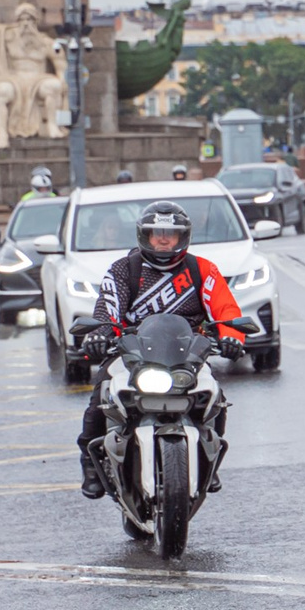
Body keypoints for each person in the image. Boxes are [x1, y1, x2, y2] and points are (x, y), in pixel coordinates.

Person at [74, 201, 246, 499]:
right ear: (145, 236)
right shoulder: (123, 269)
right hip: (132, 351)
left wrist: (233, 337)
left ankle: (209, 457)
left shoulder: (201, 269)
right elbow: (106, 310)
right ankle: (90, 462)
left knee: (214, 396)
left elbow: (225, 309)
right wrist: (99, 336)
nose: (164, 239)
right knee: (101, 393)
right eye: (157, 233)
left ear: (183, 237)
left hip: (188, 352)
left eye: (171, 233)